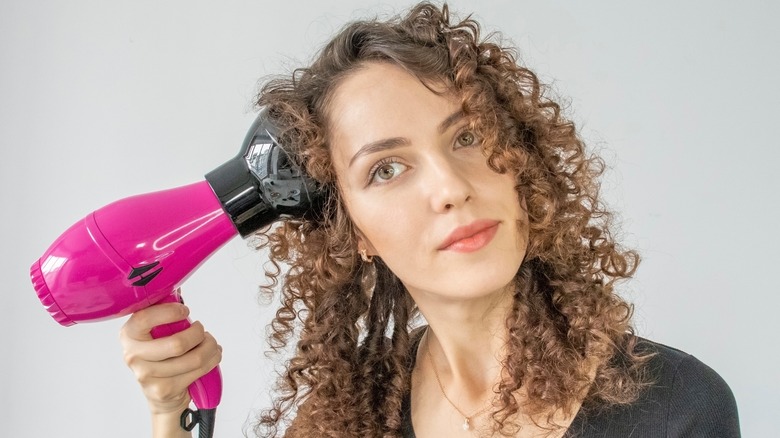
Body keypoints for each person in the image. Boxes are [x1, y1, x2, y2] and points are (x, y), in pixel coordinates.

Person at [119, 2, 740, 437]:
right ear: (354, 230)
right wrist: (173, 412)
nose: (449, 188)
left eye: (467, 136)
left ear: (519, 162)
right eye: (386, 168)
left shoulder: (676, 408)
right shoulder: (351, 417)